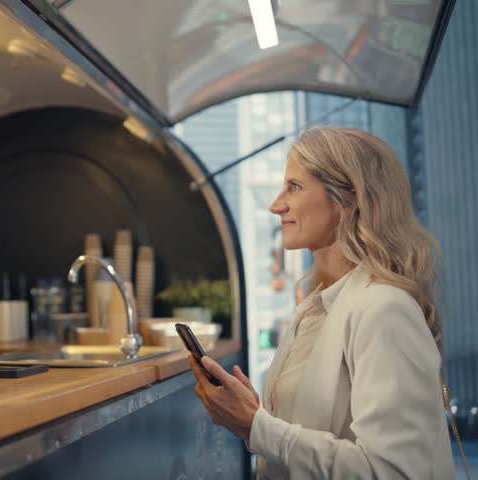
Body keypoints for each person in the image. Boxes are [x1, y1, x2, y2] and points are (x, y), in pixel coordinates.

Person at [189, 127, 454, 479]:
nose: (275, 205)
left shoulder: (384, 310)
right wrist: (253, 416)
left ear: (348, 199)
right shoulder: (317, 308)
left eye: (294, 187)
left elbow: (394, 472)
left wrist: (258, 425)